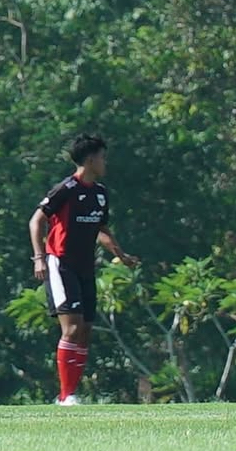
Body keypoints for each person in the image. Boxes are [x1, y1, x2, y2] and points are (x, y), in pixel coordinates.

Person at [29, 134, 139, 406]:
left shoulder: (100, 194)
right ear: (90, 160)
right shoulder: (66, 189)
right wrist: (39, 258)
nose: (105, 162)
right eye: (102, 157)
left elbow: (100, 229)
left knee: (86, 329)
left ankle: (71, 392)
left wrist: (121, 254)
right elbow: (36, 221)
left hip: (85, 267)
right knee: (72, 328)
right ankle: (65, 396)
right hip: (61, 263)